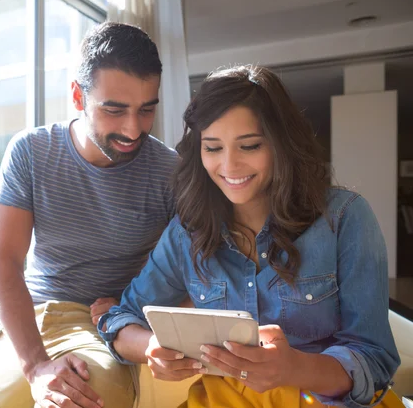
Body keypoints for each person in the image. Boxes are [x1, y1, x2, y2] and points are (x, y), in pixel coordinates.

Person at [99, 65, 405, 408]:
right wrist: (151, 348)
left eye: (249, 146)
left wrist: (294, 368)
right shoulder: (188, 232)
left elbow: (374, 362)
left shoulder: (344, 217)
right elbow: (121, 319)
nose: (229, 166)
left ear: (281, 144)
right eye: (212, 148)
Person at [0, 22, 178, 408]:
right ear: (78, 96)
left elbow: (188, 266)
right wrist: (35, 366)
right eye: (114, 110)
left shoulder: (169, 171)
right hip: (36, 316)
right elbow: (3, 260)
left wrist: (129, 312)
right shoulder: (31, 152)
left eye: (146, 110)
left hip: (105, 324)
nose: (133, 129)